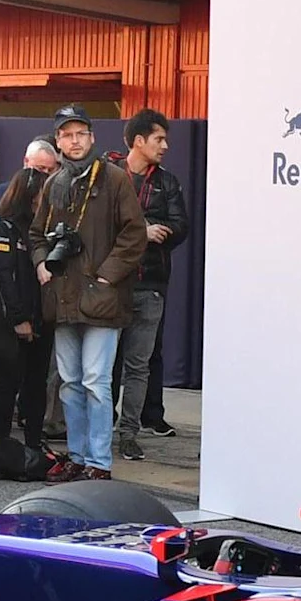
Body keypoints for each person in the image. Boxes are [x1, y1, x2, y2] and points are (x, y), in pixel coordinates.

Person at [32, 113, 145, 482]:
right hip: (64, 294)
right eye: (67, 135)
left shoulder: (114, 179)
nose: (75, 141)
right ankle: (77, 457)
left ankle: (99, 462)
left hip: (103, 295)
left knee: (97, 380)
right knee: (70, 381)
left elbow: (134, 234)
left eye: (81, 134)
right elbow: (36, 234)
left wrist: (106, 275)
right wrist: (41, 265)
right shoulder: (54, 183)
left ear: (92, 138)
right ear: (58, 142)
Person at [109, 110, 188, 464]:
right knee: (103, 363)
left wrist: (154, 233)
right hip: (110, 283)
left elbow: (180, 227)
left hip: (150, 284)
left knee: (138, 364)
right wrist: (142, 230)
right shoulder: (108, 175)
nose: (165, 146)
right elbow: (97, 223)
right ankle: (100, 433)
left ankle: (129, 434)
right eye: (159, 139)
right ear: (138, 141)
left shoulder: (167, 182)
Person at [0, 132, 59, 476]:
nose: (45, 201)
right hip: (15, 321)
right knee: (8, 379)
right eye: (41, 195)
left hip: (43, 318)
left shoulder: (46, 229)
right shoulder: (7, 228)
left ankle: (32, 439)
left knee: (36, 383)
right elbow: (4, 276)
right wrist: (18, 319)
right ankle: (0, 439)